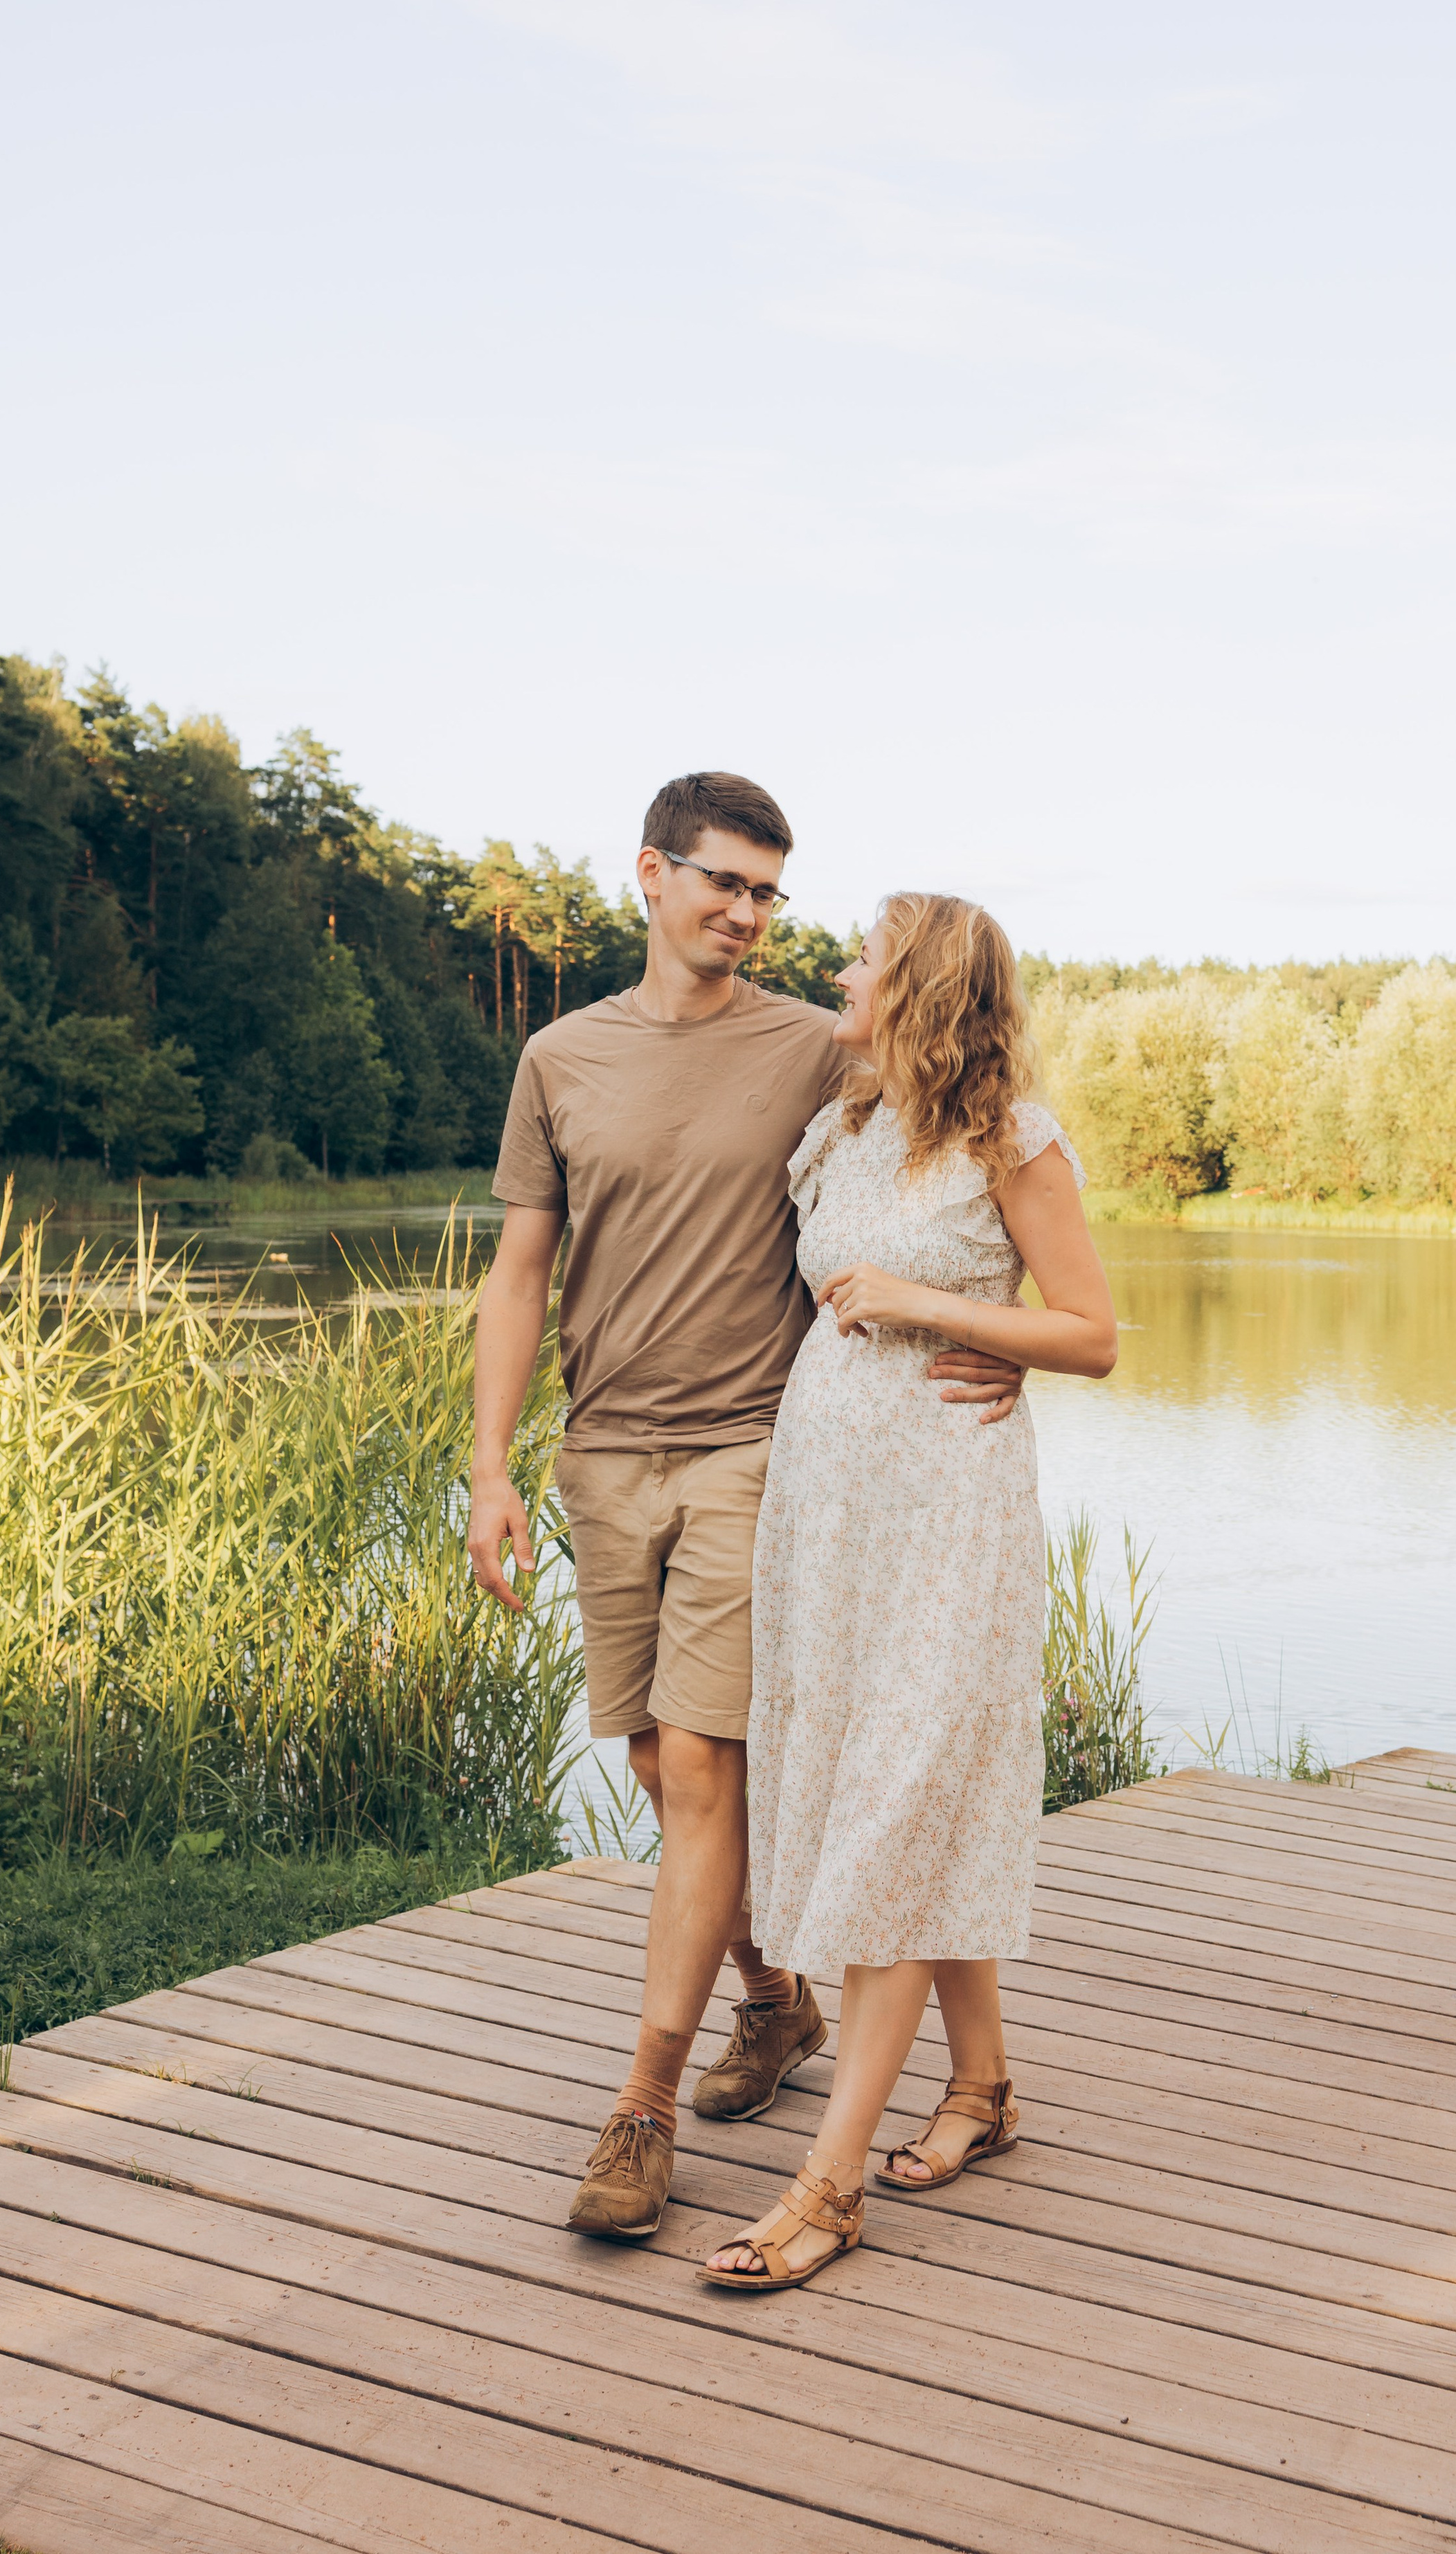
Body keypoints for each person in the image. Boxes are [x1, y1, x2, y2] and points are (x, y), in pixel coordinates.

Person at [467, 775, 1025, 2242]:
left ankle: (639, 2109)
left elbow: (964, 1151)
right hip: (604, 1454)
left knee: (706, 1767)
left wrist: (994, 1338)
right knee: (654, 1759)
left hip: (754, 1451)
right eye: (724, 883)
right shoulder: (558, 1057)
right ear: (649, 874)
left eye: (771, 894)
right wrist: (488, 1467)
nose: (750, 914)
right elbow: (520, 1272)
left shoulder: (815, 1046)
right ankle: (773, 1997)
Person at [700, 892, 1117, 2294]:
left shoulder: (1013, 1140)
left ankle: (822, 2189)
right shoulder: (845, 1128)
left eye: (864, 956)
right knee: (895, 1789)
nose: (839, 968)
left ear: (921, 987)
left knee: (894, 1809)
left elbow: (1090, 1331)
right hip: (831, 1523)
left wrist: (946, 1312)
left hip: (947, 1511)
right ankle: (984, 2088)